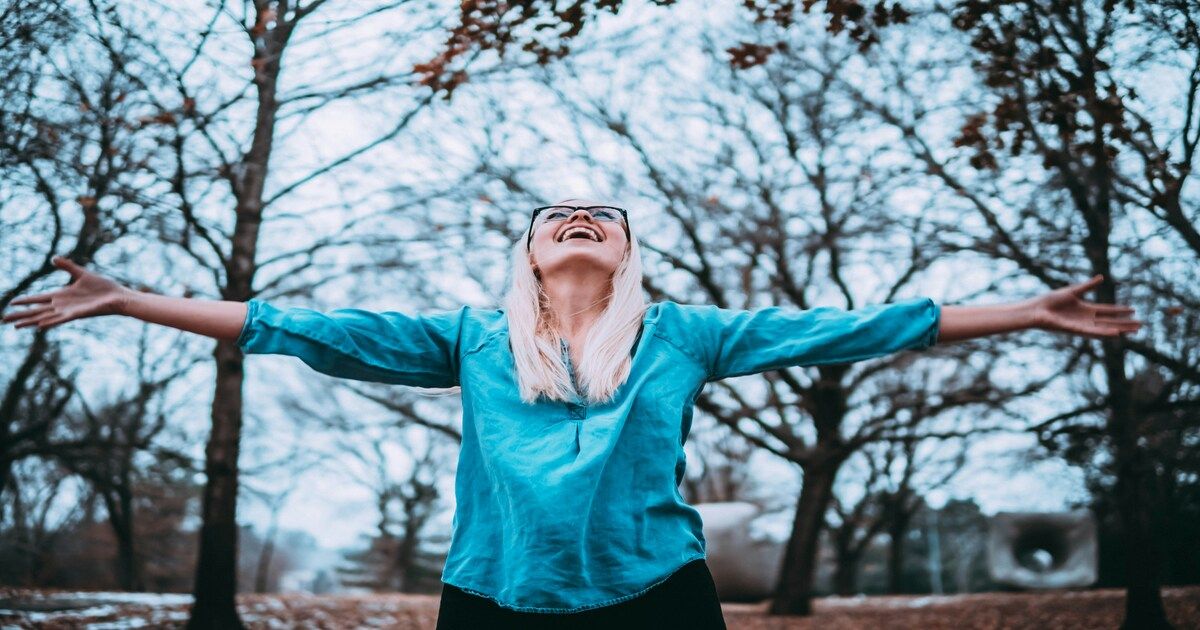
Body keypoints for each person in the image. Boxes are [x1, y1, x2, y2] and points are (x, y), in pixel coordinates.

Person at [1, 199, 1142, 629]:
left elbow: (855, 326)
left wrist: (1029, 314)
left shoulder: (680, 335)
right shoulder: (472, 337)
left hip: (657, 594)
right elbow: (297, 324)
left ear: (629, 255)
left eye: (604, 217)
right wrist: (131, 301)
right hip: (496, 596)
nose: (582, 220)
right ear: (532, 257)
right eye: (561, 218)